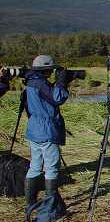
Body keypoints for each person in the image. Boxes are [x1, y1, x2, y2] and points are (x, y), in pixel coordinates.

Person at [23, 55, 70, 208]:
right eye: (50, 70)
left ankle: (30, 203)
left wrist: (59, 82)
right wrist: (62, 81)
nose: (51, 72)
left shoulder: (31, 81)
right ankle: (51, 204)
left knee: (35, 165)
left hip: (34, 129)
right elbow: (57, 98)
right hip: (46, 130)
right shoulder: (41, 83)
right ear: (45, 70)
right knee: (51, 167)